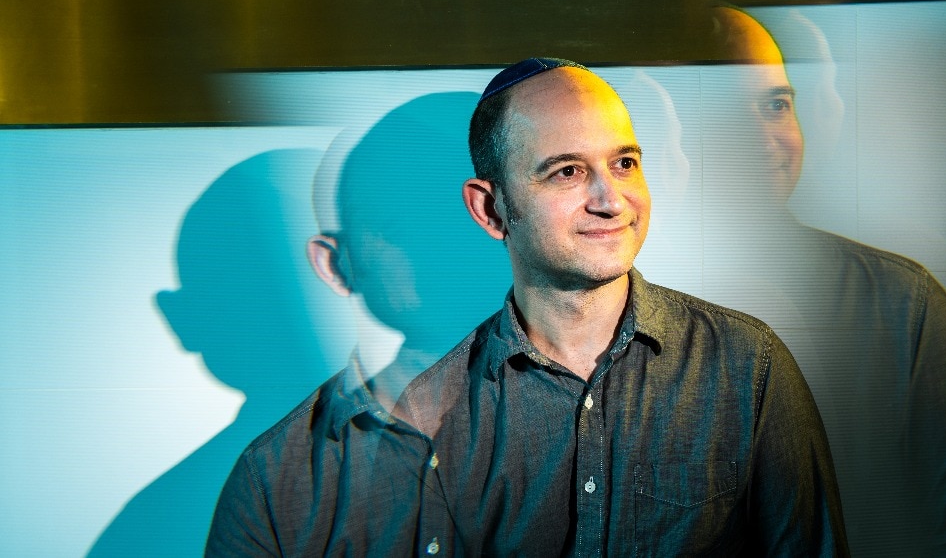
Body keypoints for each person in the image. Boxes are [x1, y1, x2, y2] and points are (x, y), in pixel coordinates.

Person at [393, 58, 849, 556]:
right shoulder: (430, 414)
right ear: (490, 208)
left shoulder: (748, 365)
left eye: (624, 163)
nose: (611, 201)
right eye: (568, 171)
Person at [690, 5, 946, 556]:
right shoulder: (597, 309)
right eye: (725, 110)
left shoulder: (902, 304)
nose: (764, 139)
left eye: (776, 106)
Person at [205, 93, 509, 556]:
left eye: (456, 210)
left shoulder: (601, 414)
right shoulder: (272, 479)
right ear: (334, 265)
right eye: (393, 223)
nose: (434, 240)